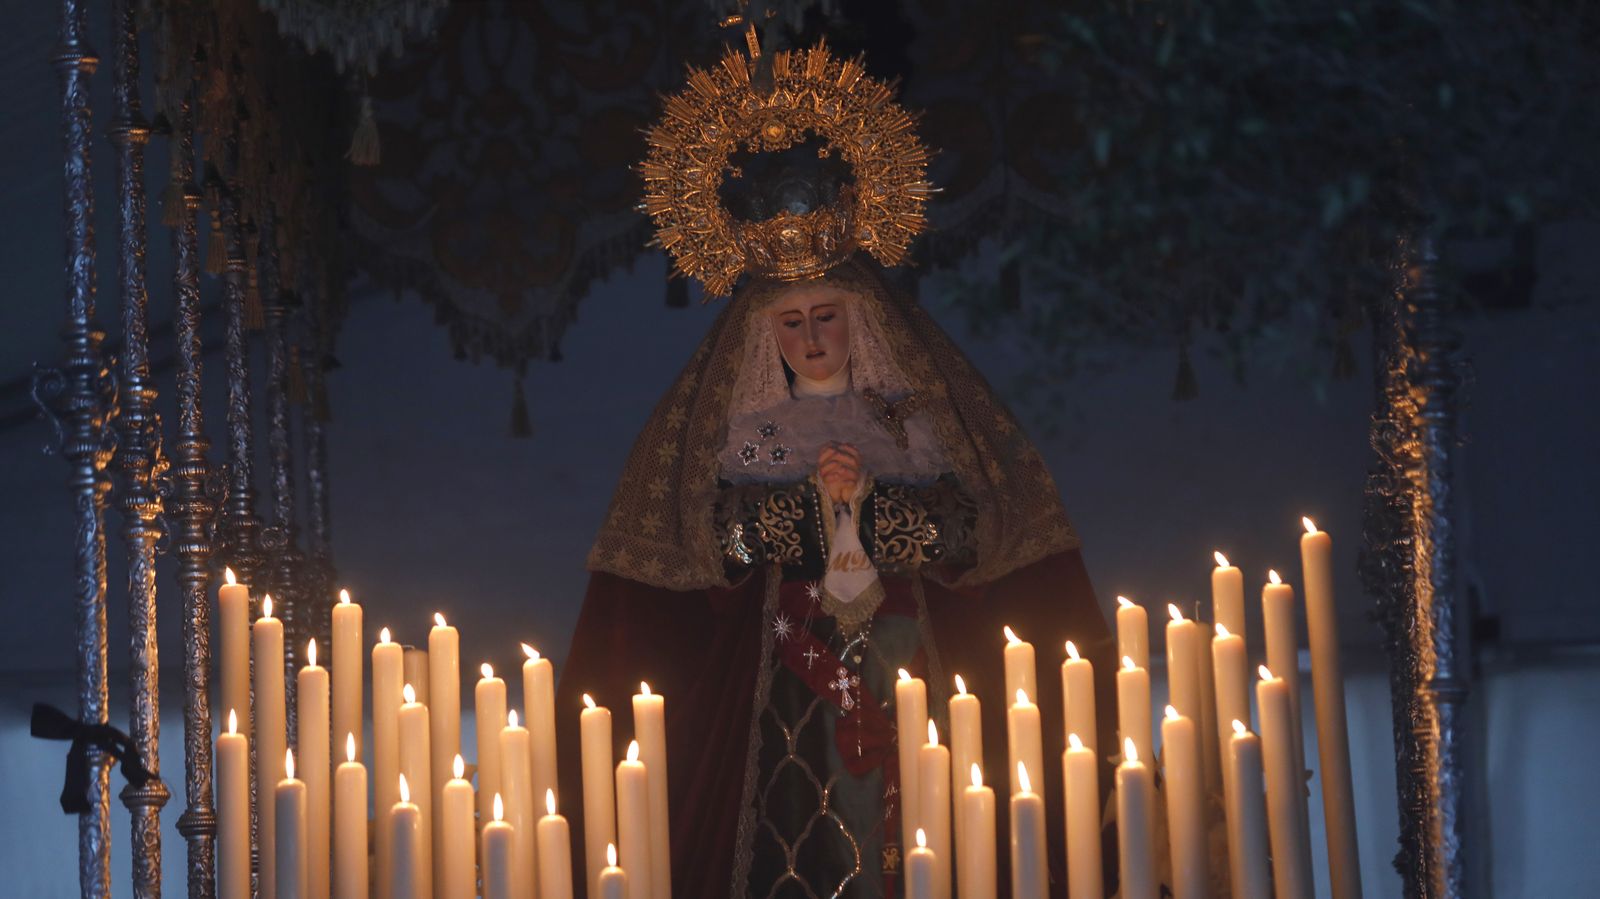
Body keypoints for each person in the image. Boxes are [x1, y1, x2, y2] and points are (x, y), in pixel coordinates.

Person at [556, 37, 1117, 897]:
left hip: (910, 659)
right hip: (784, 667)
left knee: (924, 832)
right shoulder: (735, 422)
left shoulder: (924, 412)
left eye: (826, 315)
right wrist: (812, 513)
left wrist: (879, 509)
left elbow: (983, 531)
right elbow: (697, 550)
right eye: (790, 322)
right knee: (797, 839)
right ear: (763, 334)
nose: (812, 338)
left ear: (862, 319)